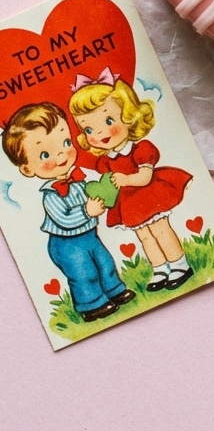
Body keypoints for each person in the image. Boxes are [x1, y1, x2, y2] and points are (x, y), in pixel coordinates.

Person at [1, 101, 135, 321]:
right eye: (45, 155)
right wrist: (87, 211)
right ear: (26, 168)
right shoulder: (51, 195)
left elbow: (92, 196)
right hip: (66, 245)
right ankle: (91, 305)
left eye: (65, 142)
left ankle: (115, 291)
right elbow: (63, 218)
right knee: (84, 274)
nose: (61, 155)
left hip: (90, 236)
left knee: (104, 262)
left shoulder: (77, 182)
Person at [70, 72, 194, 293]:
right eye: (88, 129)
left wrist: (126, 179)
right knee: (144, 236)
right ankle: (160, 269)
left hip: (148, 195)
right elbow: (106, 182)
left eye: (108, 121)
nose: (99, 133)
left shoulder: (141, 149)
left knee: (160, 230)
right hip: (129, 204)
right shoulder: (106, 161)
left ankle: (179, 265)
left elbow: (145, 177)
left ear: (128, 116)